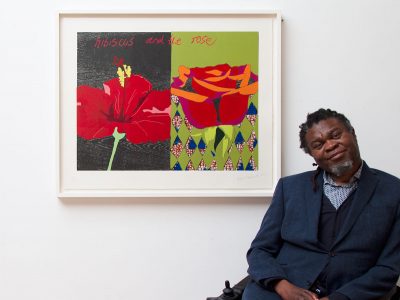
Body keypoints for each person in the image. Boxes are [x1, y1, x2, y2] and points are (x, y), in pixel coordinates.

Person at [243, 108, 400, 300]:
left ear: (352, 133)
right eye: (318, 144)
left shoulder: (394, 191)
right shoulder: (290, 188)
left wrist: (339, 298)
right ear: (313, 155)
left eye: (335, 135)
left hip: (350, 293)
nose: (330, 145)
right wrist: (283, 287)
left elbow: (390, 266)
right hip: (281, 291)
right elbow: (260, 250)